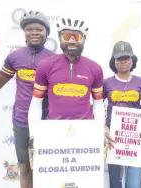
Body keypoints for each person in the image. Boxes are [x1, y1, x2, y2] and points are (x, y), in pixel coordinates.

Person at [0, 11, 55, 188]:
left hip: (46, 123)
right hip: (21, 121)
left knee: (45, 170)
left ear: (47, 33)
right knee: (24, 170)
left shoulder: (55, 60)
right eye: (29, 29)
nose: (34, 32)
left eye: (39, 29)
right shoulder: (15, 57)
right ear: (24, 32)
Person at [28, 17, 110, 164]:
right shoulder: (45, 65)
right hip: (53, 131)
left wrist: (99, 133)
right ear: (59, 38)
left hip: (85, 132)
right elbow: (36, 103)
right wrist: (33, 135)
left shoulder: (95, 68)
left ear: (84, 39)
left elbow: (98, 104)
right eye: (66, 36)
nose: (72, 41)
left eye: (77, 36)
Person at [103, 41, 141, 188]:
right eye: (119, 58)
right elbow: (97, 106)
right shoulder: (106, 83)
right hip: (113, 137)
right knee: (115, 182)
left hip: (135, 138)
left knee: (134, 184)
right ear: (114, 61)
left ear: (133, 60)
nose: (123, 61)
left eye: (127, 57)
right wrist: (104, 126)